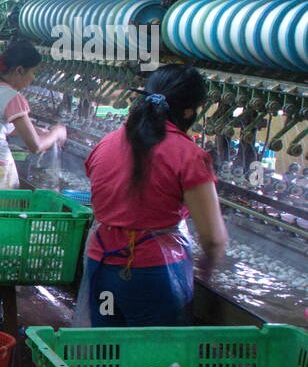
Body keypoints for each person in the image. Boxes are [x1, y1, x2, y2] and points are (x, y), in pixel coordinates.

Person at [83, 65, 227, 327]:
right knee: (154, 361)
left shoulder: (107, 143)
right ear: (188, 111)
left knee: (107, 351)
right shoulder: (188, 155)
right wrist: (207, 271)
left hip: (102, 265)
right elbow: (214, 239)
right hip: (154, 274)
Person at [0, 40, 65, 189]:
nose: (33, 78)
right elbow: (36, 146)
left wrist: (36, 130)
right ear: (20, 70)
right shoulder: (12, 97)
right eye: (33, 72)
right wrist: (57, 132)